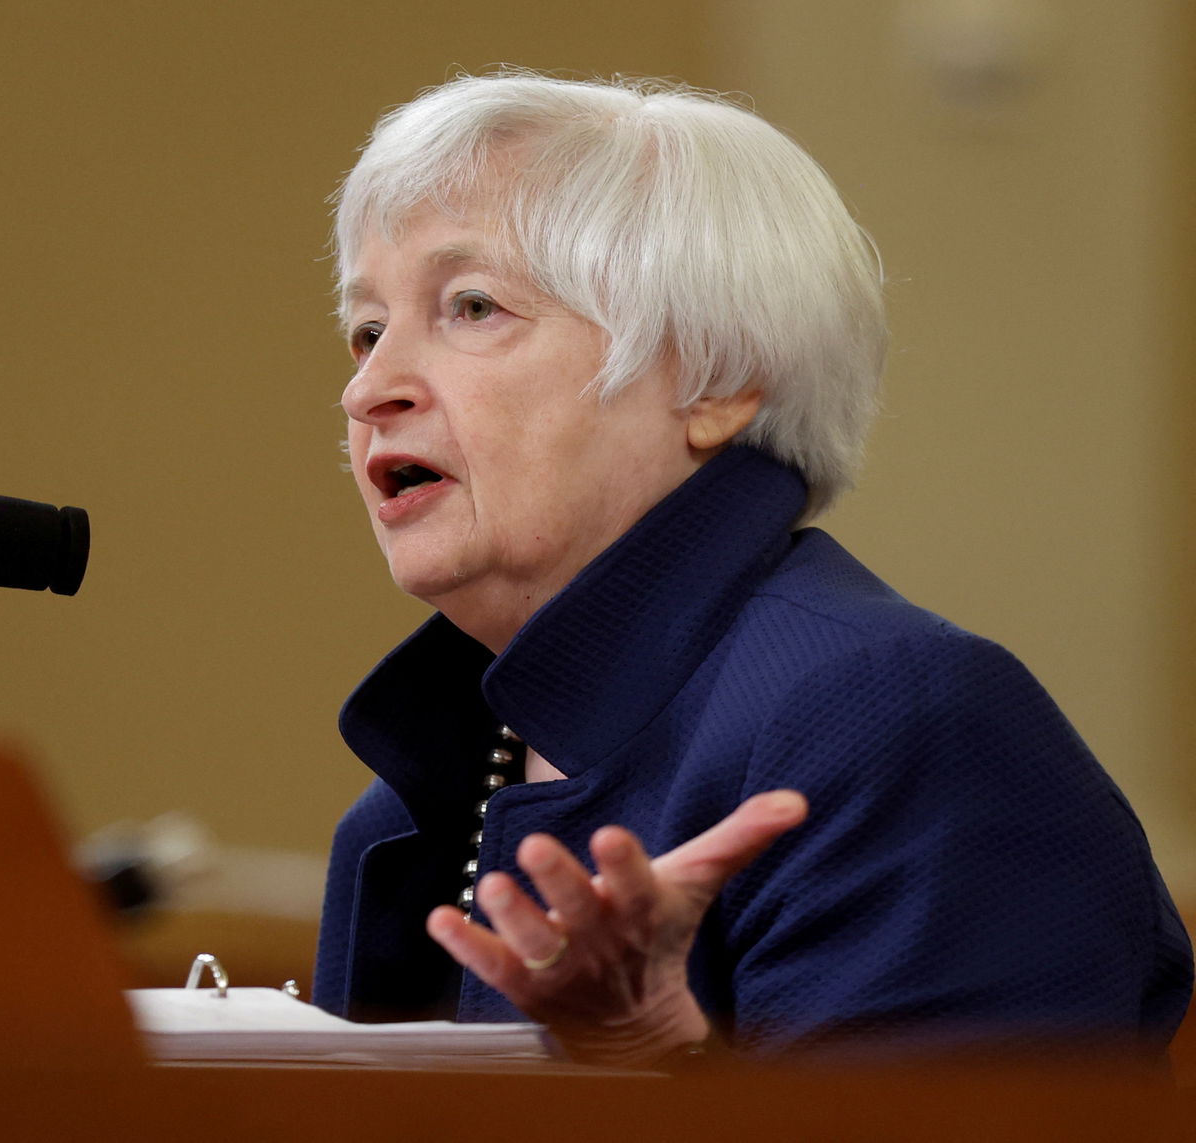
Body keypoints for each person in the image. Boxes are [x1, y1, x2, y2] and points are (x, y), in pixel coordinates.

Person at [310, 71, 1192, 1068]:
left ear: (718, 380)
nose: (368, 388)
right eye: (368, 328)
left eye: (472, 306)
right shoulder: (405, 812)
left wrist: (660, 1067)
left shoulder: (897, 719)